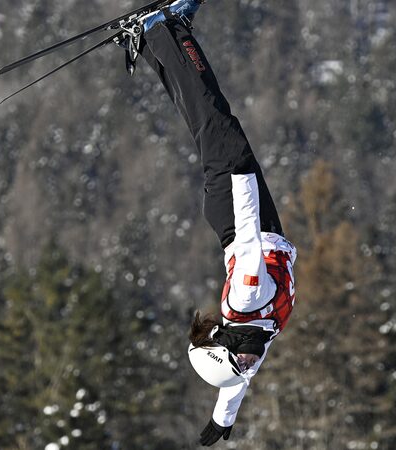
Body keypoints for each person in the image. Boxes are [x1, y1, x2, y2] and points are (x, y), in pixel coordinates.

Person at [138, 1, 298, 446]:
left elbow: (248, 233)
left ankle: (165, 30)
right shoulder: (256, 337)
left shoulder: (248, 301)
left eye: (239, 362)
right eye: (243, 366)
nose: (248, 365)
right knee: (204, 123)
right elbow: (239, 380)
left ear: (227, 344)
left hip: (239, 204)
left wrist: (242, 172)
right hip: (234, 214)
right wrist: (223, 418)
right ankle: (155, 44)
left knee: (213, 116)